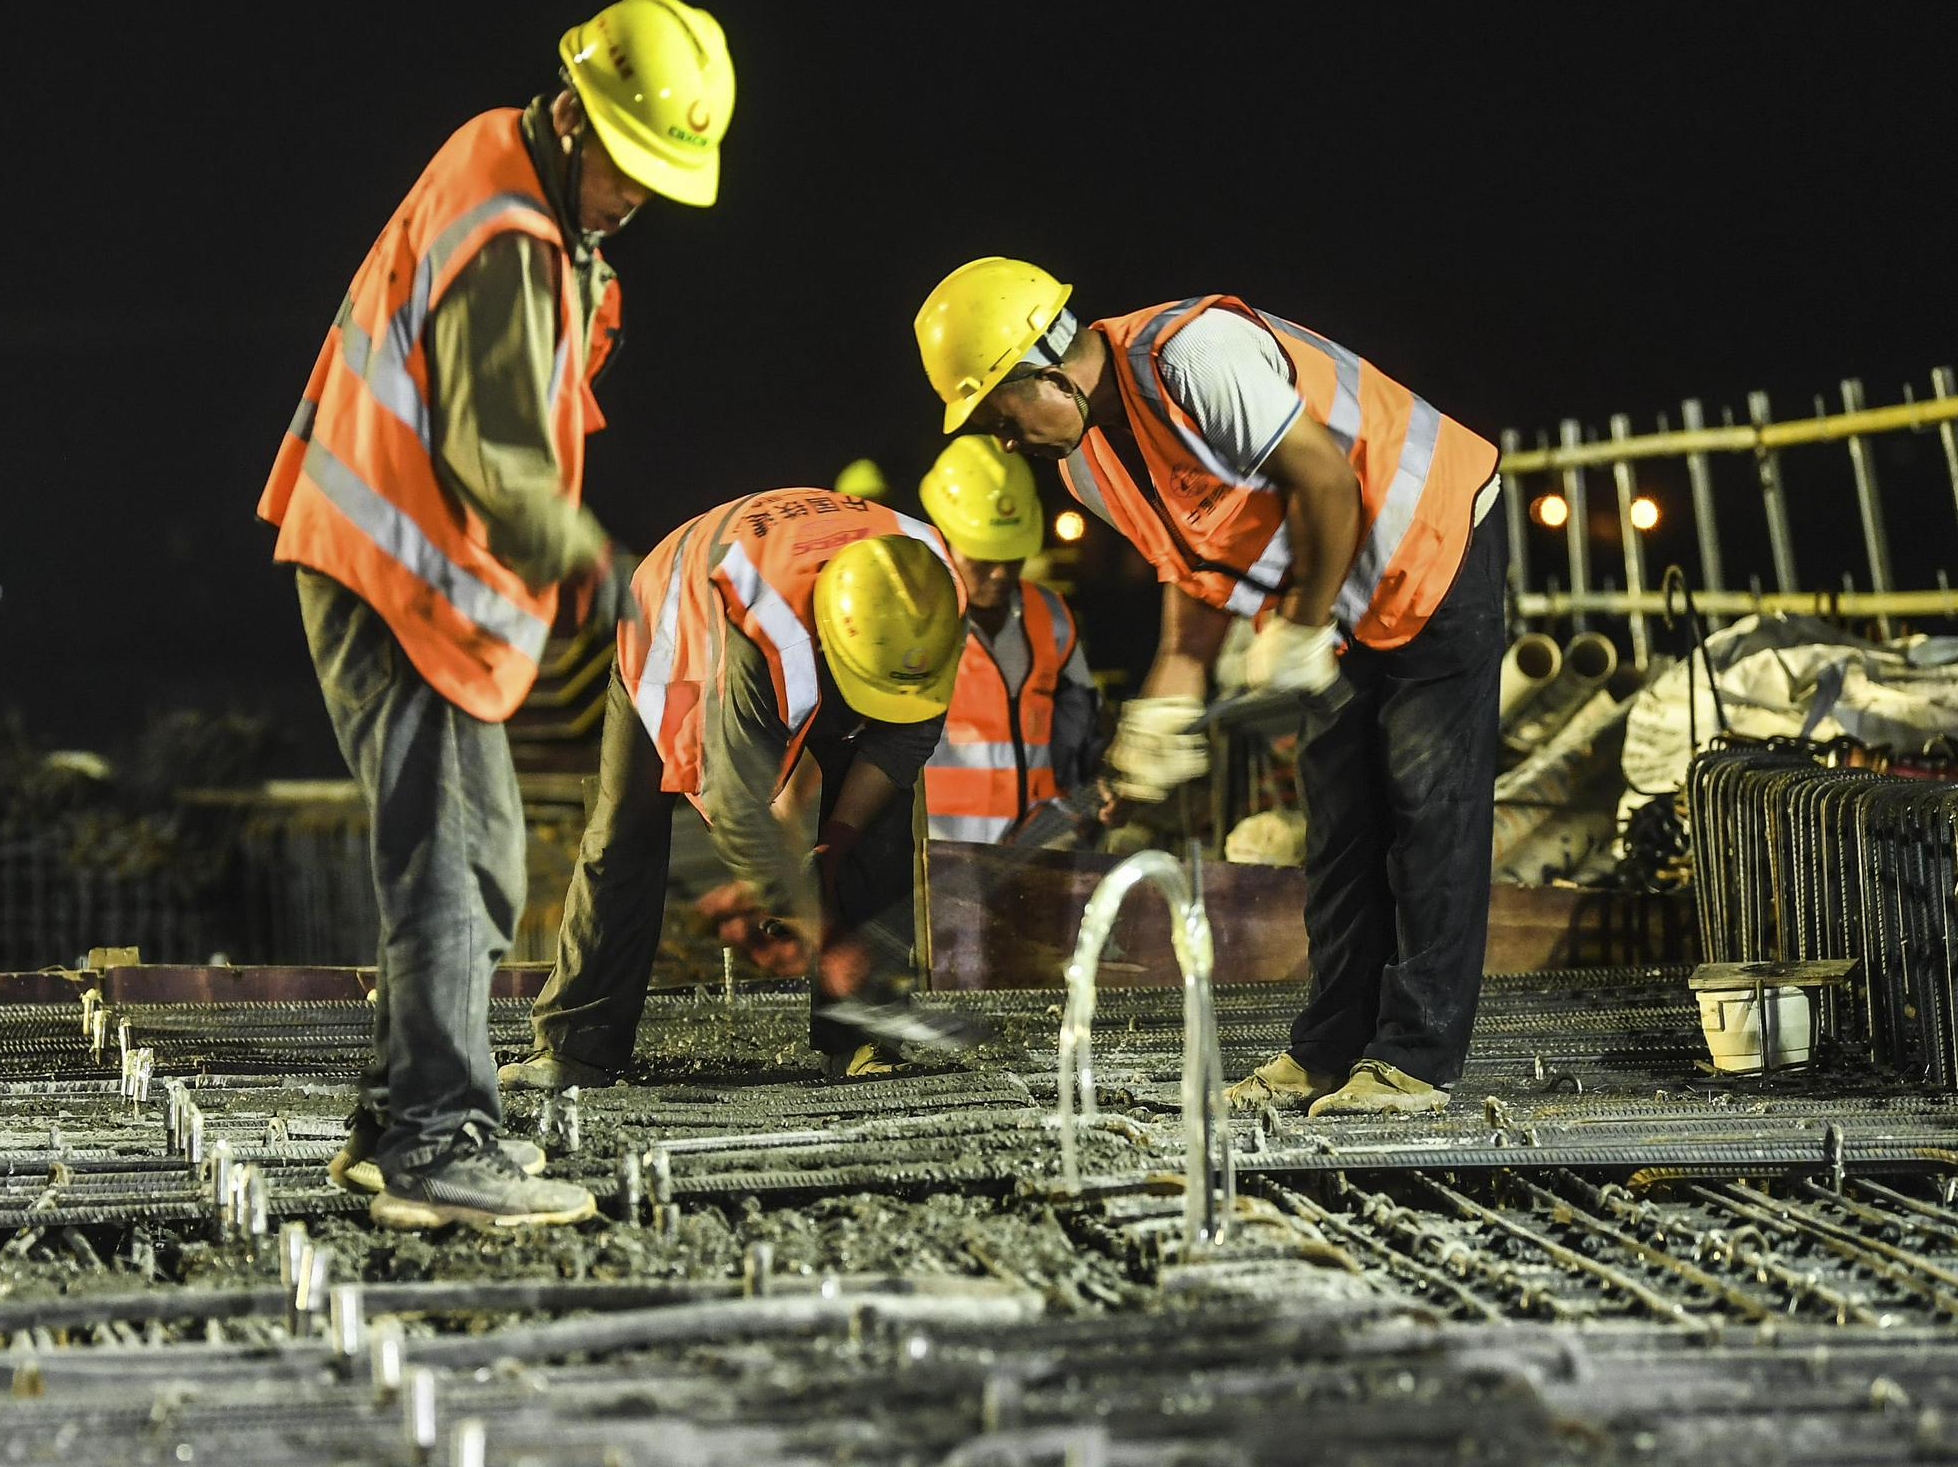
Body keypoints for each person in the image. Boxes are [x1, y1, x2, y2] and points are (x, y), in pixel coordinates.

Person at [255, 0, 735, 1228]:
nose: (632, 199)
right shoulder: (511, 229)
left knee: (456, 847)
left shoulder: (516, 187)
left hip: (388, 566)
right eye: (626, 171)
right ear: (572, 115)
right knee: (460, 858)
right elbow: (504, 453)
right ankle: (433, 1142)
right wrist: (599, 574)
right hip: (389, 569)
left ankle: (399, 1121)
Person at [914, 258, 1503, 1115]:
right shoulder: (1087, 469)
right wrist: (1161, 705)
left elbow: (1327, 479)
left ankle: (1417, 1056)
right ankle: (1329, 1050)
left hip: (1432, 546)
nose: (1002, 439)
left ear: (1043, 366)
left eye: (999, 413)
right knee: (1340, 828)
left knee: (1426, 807)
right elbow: (1195, 576)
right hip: (1340, 599)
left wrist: (1299, 627)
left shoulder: (1196, 357)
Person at [498, 489, 964, 1090]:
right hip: (676, 604)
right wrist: (814, 928)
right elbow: (738, 805)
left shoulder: (930, 591)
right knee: (625, 830)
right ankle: (576, 1046)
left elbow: (901, 742)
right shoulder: (758, 639)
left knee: (876, 827)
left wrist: (835, 848)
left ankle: (862, 1039)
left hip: (820, 610)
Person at [917, 436, 1102, 843]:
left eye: (1013, 557)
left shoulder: (1050, 614)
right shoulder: (913, 622)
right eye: (984, 559)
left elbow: (1080, 727)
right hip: (937, 863)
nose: (1001, 574)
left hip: (1034, 853)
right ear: (944, 536)